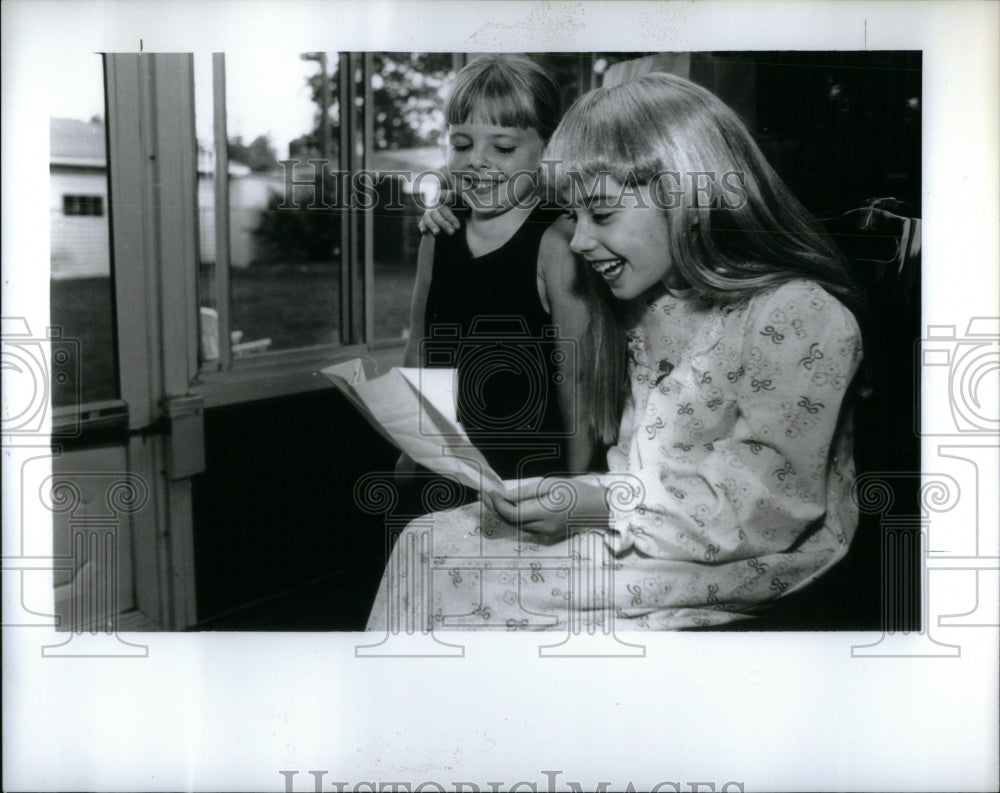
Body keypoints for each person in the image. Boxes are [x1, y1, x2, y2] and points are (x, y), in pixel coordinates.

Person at [369, 72, 865, 631]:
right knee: (424, 540)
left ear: (694, 196)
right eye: (574, 215)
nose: (578, 240)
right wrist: (580, 498)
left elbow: (761, 515)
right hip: (644, 528)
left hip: (753, 559)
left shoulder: (800, 316)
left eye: (601, 215)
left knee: (481, 587)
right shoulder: (651, 304)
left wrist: (589, 502)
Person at [399, 54, 595, 487]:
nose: (477, 162)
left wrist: (579, 485)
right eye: (462, 145)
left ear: (547, 148)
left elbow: (576, 378)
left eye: (503, 148)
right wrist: (409, 449)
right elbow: (419, 347)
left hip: (529, 470)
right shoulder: (439, 232)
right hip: (446, 465)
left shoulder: (558, 241)